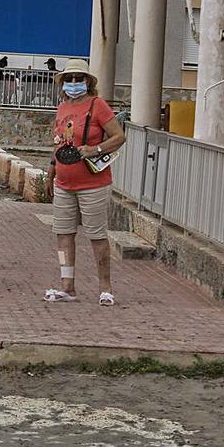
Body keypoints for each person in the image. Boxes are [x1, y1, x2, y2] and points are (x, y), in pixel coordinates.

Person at [44, 59, 126, 306]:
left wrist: (95, 148)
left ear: (87, 82)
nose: (73, 83)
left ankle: (105, 288)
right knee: (63, 234)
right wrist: (50, 171)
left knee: (96, 235)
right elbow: (58, 143)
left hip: (93, 184)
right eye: (68, 79)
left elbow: (119, 137)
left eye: (78, 78)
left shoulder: (97, 106)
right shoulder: (62, 108)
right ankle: (67, 286)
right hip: (64, 182)